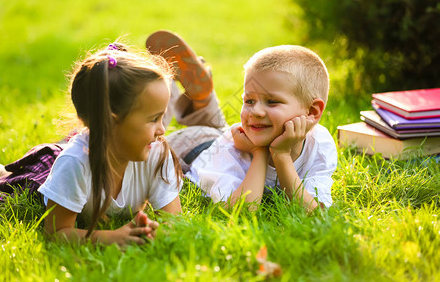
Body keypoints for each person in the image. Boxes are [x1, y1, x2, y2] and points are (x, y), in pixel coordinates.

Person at [148, 32, 337, 212]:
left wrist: (280, 155)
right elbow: (243, 210)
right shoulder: (229, 148)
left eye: (272, 102)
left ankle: (202, 99)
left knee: (219, 129)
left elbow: (313, 212)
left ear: (312, 112)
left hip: (224, 136)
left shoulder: (319, 143)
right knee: (150, 133)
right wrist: (259, 152)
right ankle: (161, 81)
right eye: (249, 101)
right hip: (189, 149)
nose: (255, 111)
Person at [36, 44, 185, 246]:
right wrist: (112, 238)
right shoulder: (74, 165)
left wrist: (153, 232)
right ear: (111, 122)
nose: (162, 130)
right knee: (27, 171)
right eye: (153, 119)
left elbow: (174, 222)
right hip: (55, 164)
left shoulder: (157, 155)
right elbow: (55, 233)